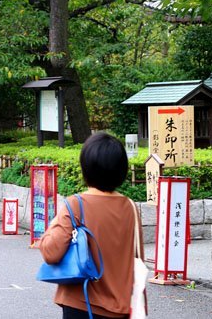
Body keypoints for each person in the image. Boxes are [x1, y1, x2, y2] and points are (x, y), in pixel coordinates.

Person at [39, 133, 145, 319]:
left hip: (81, 304)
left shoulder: (75, 205)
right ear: (122, 170)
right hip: (120, 307)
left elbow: (51, 252)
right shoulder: (130, 207)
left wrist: (53, 225)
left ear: (85, 168)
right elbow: (137, 259)